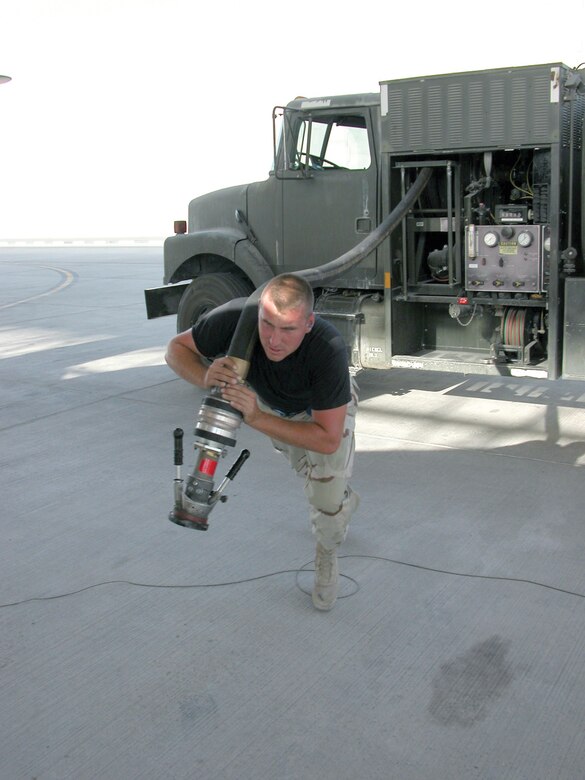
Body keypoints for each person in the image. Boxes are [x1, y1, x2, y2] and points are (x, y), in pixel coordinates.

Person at [165, 273, 359, 610]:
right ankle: (338, 498)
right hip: (269, 406)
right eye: (267, 324)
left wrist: (256, 418)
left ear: (309, 323)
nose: (274, 340)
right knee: (310, 476)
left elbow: (327, 439)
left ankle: (327, 550)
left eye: (288, 329)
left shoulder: (327, 349)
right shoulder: (233, 319)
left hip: (321, 412)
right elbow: (175, 349)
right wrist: (205, 374)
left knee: (324, 498)